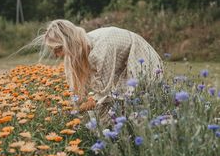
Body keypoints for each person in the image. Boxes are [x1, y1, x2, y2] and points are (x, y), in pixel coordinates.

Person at [35, 19, 163, 116]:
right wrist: (74, 104)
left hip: (141, 58)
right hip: (122, 62)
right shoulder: (80, 48)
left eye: (58, 49)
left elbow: (102, 94)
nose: (56, 55)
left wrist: (74, 112)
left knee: (138, 106)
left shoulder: (100, 51)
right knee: (110, 111)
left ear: (68, 42)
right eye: (53, 50)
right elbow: (81, 90)